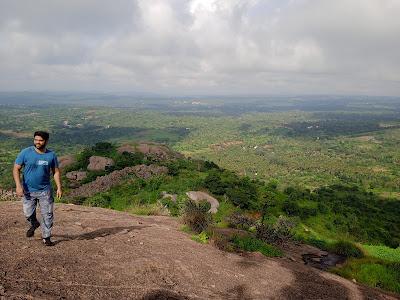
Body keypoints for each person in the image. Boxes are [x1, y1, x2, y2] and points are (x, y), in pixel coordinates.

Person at [13, 131, 62, 246]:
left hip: (45, 190)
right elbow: (16, 168)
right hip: (28, 190)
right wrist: (18, 185)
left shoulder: (51, 155)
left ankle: (46, 237)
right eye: (36, 140)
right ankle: (34, 223)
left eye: (40, 140)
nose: (37, 142)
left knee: (48, 214)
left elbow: (55, 172)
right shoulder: (25, 152)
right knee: (27, 213)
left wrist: (59, 187)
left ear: (46, 141)